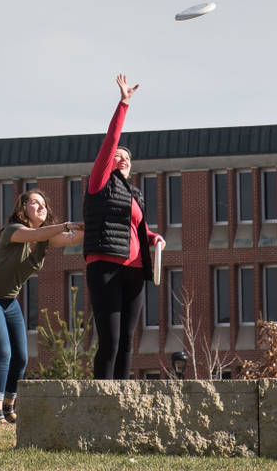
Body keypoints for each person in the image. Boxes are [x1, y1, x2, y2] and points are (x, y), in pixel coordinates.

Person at [0, 189, 83, 423]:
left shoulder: (44, 237)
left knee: (21, 356)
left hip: (9, 301)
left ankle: (9, 406)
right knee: (3, 352)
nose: (40, 207)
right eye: (34, 203)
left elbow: (70, 238)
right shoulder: (14, 231)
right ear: (23, 208)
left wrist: (96, 224)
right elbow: (38, 235)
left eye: (43, 205)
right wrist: (67, 224)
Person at [80, 73, 162, 380]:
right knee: (110, 341)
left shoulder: (135, 192)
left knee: (128, 342)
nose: (123, 158)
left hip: (135, 271)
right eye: (118, 156)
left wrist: (155, 239)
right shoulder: (99, 182)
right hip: (106, 267)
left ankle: (124, 397)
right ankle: (103, 397)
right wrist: (124, 103)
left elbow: (140, 230)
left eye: (127, 157)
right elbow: (110, 140)